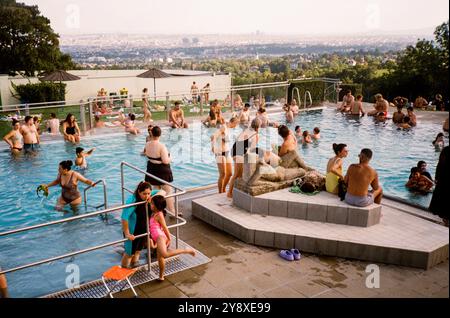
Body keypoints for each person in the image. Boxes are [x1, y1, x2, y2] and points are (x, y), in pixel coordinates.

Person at [149, 195, 195, 281]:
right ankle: (161, 276)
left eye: (152, 204)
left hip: (160, 237)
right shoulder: (153, 213)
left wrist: (169, 238)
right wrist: (149, 200)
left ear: (157, 206)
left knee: (165, 254)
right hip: (157, 238)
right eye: (151, 203)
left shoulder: (159, 214)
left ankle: (186, 250)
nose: (150, 205)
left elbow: (165, 227)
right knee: (160, 258)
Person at [121, 181, 165, 268]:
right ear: (138, 192)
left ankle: (134, 268)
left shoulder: (149, 195)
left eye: (149, 193)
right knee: (129, 254)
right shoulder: (133, 201)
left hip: (144, 230)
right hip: (133, 231)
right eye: (144, 194)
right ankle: (123, 272)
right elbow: (124, 217)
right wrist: (127, 234)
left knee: (138, 251)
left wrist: (153, 196)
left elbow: (163, 192)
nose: (147, 196)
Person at [144, 126, 175, 213]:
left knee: (156, 190)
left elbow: (147, 155)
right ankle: (172, 211)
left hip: (151, 169)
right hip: (162, 170)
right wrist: (170, 157)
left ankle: (156, 210)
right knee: (168, 191)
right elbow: (165, 161)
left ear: (152, 133)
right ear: (160, 134)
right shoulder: (161, 146)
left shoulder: (147, 144)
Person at [228, 118, 261, 198]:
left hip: (235, 151)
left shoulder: (247, 130)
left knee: (239, 175)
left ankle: (234, 192)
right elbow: (251, 151)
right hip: (239, 153)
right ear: (258, 126)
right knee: (237, 175)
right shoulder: (255, 135)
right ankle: (229, 193)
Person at [210, 118, 238, 194]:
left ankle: (223, 189)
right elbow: (213, 137)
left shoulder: (228, 129)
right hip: (219, 153)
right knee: (223, 174)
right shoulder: (223, 127)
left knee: (229, 174)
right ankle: (220, 192)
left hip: (226, 152)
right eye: (236, 123)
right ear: (233, 122)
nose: (236, 125)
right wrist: (212, 147)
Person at [429, 146, 450, 226]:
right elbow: (440, 165)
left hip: (443, 181)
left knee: (444, 200)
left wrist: (437, 178)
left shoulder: (445, 151)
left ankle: (446, 219)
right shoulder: (446, 150)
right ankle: (446, 220)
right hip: (445, 181)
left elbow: (439, 166)